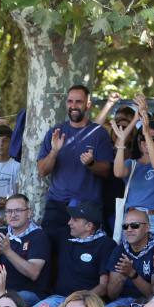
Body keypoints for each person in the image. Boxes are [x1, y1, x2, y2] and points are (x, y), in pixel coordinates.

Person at [37, 85, 113, 240]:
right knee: (49, 255)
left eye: (79, 101)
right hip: (57, 205)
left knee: (82, 259)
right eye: (70, 101)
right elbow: (42, 171)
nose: (73, 106)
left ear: (88, 105)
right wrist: (54, 152)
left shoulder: (99, 133)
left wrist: (91, 164)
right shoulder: (55, 132)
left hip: (86, 208)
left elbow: (106, 171)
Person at [111, 98, 154, 243]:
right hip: (133, 222)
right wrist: (121, 142)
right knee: (129, 263)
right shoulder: (131, 164)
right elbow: (118, 173)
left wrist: (145, 132)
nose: (146, 143)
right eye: (143, 139)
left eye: (153, 139)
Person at [35, 202, 115, 307]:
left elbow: (103, 286)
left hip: (88, 303)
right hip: (59, 299)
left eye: (75, 220)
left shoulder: (105, 245)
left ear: (89, 226)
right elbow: (38, 234)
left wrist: (78, 302)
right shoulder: (64, 235)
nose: (69, 223)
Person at [0, 194, 52, 306]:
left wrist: (7, 251)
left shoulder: (39, 236)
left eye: (18, 210)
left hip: (31, 295)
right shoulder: (0, 235)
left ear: (29, 212)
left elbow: (33, 273)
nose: (13, 215)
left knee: (7, 302)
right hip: (1, 295)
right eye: (9, 211)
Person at [105, 208, 154, 307]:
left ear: (147, 227)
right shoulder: (119, 250)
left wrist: (132, 274)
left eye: (135, 225)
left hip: (150, 305)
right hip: (122, 303)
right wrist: (120, 279)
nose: (129, 230)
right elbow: (112, 295)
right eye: (125, 226)